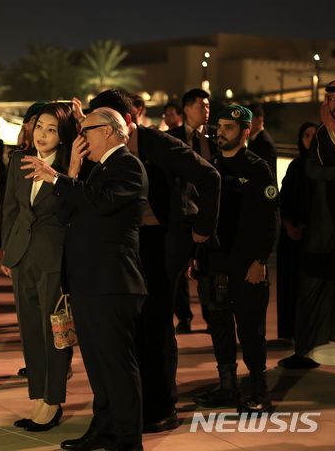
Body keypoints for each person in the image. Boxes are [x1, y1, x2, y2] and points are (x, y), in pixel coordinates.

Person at [80, 89, 220, 433]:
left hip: (163, 242)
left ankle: (162, 406)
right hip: (129, 244)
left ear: (127, 120)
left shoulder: (159, 144)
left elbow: (209, 177)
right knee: (131, 327)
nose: (99, 129)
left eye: (106, 121)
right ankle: (133, 406)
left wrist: (201, 230)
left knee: (157, 324)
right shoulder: (100, 150)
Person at [26, 107, 147, 451]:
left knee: (117, 365)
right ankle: (104, 427)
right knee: (96, 364)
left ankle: (127, 439)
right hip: (88, 282)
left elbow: (104, 203)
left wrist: (59, 179)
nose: (81, 137)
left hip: (112, 282)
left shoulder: (127, 165)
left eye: (86, 129)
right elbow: (65, 213)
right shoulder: (97, 169)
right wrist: (73, 172)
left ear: (108, 132)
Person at [192, 105, 279, 414]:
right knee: (219, 324)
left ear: (244, 132)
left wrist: (260, 260)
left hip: (246, 264)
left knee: (251, 328)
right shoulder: (210, 166)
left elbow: (269, 220)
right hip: (216, 260)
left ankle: (259, 390)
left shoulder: (258, 168)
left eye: (229, 128)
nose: (221, 132)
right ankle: (228, 386)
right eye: (220, 126)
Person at [1, 103, 76, 432]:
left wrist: (64, 176)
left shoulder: (70, 165)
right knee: (29, 328)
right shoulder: (18, 159)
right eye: (39, 127)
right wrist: (7, 252)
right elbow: (10, 209)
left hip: (53, 258)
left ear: (62, 136)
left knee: (55, 332)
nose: (42, 135)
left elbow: (73, 208)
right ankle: (38, 395)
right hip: (21, 256)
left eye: (51, 130)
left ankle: (54, 399)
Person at [280, 79, 335, 369]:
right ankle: (304, 349)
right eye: (333, 99)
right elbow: (313, 171)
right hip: (324, 226)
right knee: (312, 285)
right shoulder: (322, 135)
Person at [167, 88, 217, 334]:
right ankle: (183, 317)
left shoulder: (215, 138)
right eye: (201, 105)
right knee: (177, 270)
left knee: (207, 269)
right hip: (180, 212)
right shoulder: (171, 138)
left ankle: (211, 316)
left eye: (208, 105)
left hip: (207, 214)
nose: (206, 110)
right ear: (186, 109)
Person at [276, 122, 317, 342]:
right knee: (291, 283)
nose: (309, 139)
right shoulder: (295, 167)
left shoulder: (326, 167)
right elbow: (284, 199)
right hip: (292, 234)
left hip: (315, 237)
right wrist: (288, 225)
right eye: (306, 135)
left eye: (313, 135)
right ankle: (290, 332)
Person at [247, 103, 278, 178]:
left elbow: (266, 174)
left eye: (249, 119)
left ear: (259, 120)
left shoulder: (265, 144)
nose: (246, 123)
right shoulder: (253, 139)